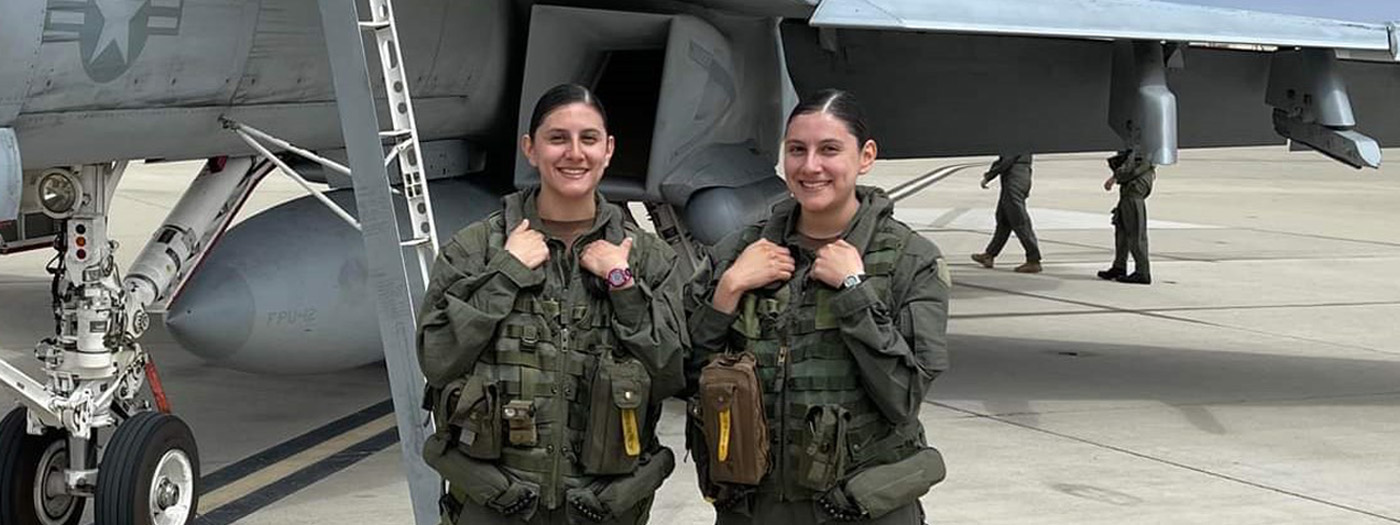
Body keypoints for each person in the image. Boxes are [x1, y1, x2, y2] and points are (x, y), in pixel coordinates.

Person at [416, 83, 687, 525]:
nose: (574, 153)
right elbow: (438, 359)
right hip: (496, 505)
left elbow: (671, 374)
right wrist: (506, 272)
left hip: (601, 507)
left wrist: (623, 285)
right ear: (530, 148)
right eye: (557, 138)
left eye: (589, 139)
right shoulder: (476, 250)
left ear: (608, 150)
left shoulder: (648, 258)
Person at [686, 89, 950, 524]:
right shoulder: (738, 253)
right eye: (796, 150)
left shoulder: (909, 259)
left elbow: (902, 397)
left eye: (829, 149)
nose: (810, 167)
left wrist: (853, 290)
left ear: (865, 157)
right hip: (755, 509)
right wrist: (728, 291)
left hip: (858, 509)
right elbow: (686, 375)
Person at [969, 153, 1042, 273]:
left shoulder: (1015, 137)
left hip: (1014, 181)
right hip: (1016, 179)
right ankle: (990, 255)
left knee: (1019, 222)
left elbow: (1007, 159)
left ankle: (1033, 260)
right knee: (1004, 220)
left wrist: (989, 175)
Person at [1098, 148, 1154, 285]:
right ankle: (1119, 267)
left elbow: (1131, 168)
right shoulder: (1136, 147)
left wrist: (1115, 177)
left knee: (1135, 234)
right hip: (1127, 194)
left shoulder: (1142, 149)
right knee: (1121, 232)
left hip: (1133, 195)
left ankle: (1142, 272)